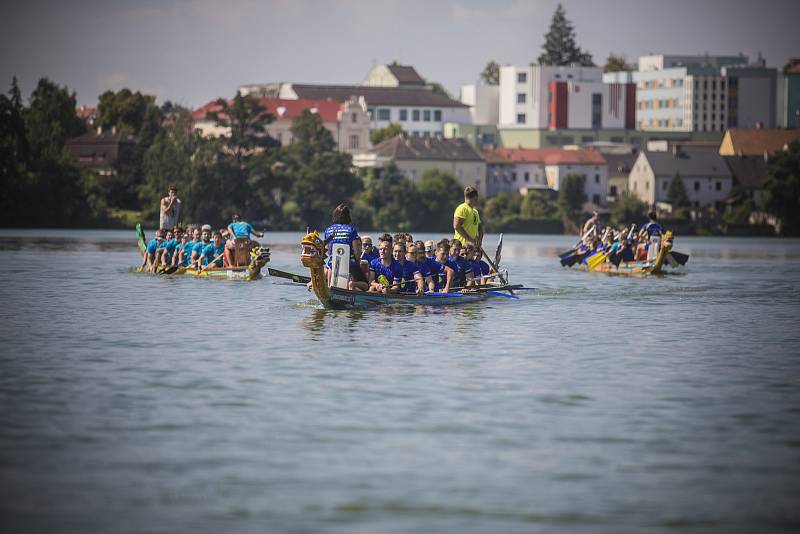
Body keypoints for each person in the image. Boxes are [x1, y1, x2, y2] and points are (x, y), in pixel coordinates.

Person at [324, 204, 367, 291]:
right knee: (366, 285)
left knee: (330, 265)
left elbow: (327, 251)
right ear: (348, 216)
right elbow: (356, 251)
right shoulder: (351, 230)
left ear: (335, 216)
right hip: (350, 264)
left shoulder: (328, 230)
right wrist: (358, 263)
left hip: (334, 264)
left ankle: (329, 287)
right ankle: (352, 285)